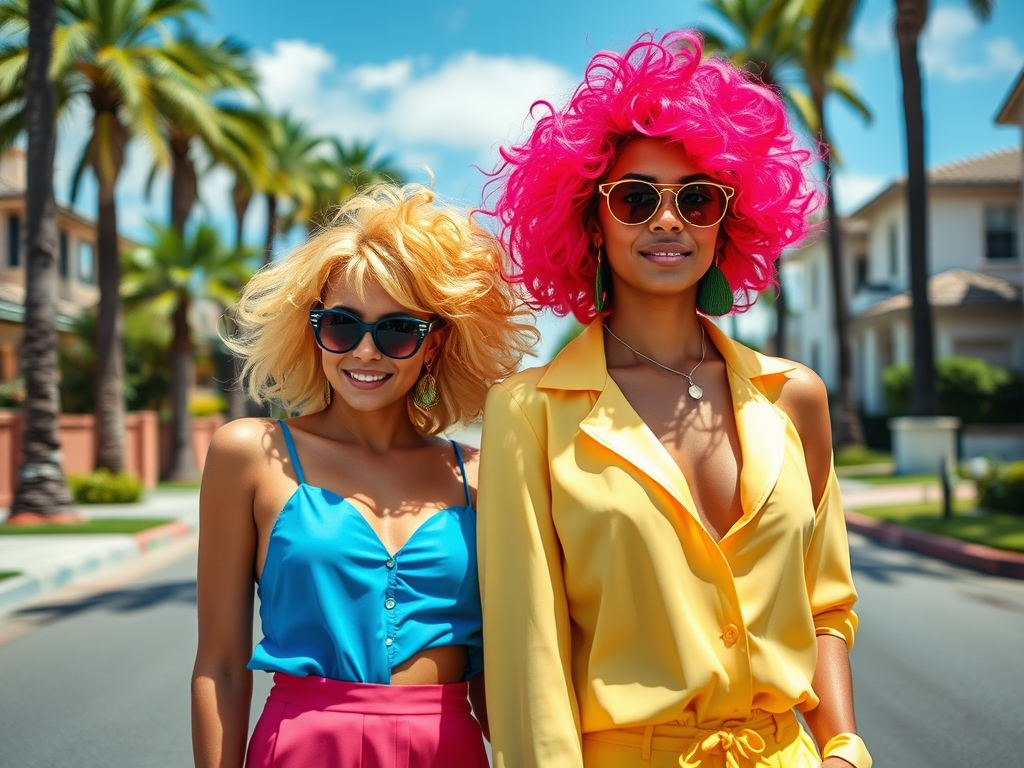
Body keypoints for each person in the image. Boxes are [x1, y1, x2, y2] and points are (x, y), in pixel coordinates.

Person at [478, 30, 870, 768]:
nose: (667, 219)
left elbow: (824, 604)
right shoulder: (529, 412)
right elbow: (528, 654)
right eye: (635, 198)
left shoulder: (794, 399)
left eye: (696, 199)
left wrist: (844, 747)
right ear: (592, 218)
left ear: (729, 221)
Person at [191, 183, 535, 768]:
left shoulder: (481, 476)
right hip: (303, 748)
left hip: (448, 749)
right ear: (314, 329)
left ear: (434, 344)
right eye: (342, 325)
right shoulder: (249, 453)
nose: (366, 351)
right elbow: (221, 665)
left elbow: (497, 674)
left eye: (397, 329)